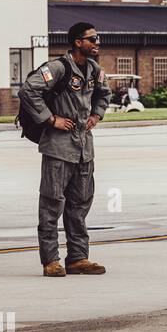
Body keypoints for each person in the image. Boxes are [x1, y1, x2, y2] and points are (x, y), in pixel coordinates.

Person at [19, 22, 112, 278]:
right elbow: (29, 90)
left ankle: (78, 257)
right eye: (91, 39)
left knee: (80, 205)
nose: (97, 42)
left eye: (97, 38)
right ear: (77, 42)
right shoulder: (58, 67)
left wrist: (97, 115)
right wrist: (50, 119)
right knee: (52, 204)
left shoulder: (94, 69)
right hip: (58, 149)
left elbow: (104, 94)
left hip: (84, 148)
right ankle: (50, 260)